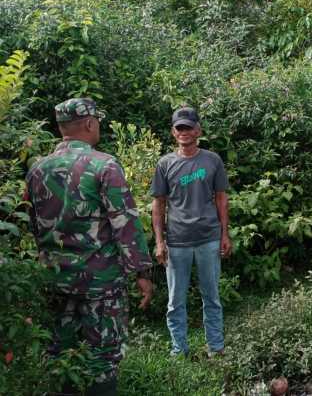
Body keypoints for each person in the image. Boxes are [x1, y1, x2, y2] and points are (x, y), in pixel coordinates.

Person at [25, 98, 153, 396]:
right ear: (89, 123)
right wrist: (142, 273)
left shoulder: (37, 170)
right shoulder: (104, 165)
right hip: (101, 282)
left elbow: (34, 224)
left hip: (55, 278)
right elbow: (126, 224)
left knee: (61, 351)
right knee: (103, 356)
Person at [150, 106, 232, 357]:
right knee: (175, 302)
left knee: (212, 297)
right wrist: (159, 241)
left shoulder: (212, 160)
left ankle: (216, 348)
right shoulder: (165, 164)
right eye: (179, 128)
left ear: (198, 130)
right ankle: (179, 350)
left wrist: (224, 234)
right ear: (173, 132)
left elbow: (221, 199)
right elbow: (158, 204)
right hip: (177, 242)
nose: (184, 132)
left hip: (208, 238)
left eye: (189, 127)